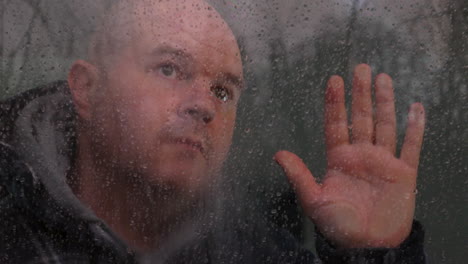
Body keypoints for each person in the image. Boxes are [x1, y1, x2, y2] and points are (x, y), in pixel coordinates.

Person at [0, 0, 426, 263]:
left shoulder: (259, 253)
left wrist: (372, 254)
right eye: (168, 69)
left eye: (223, 91)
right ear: (88, 89)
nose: (204, 105)